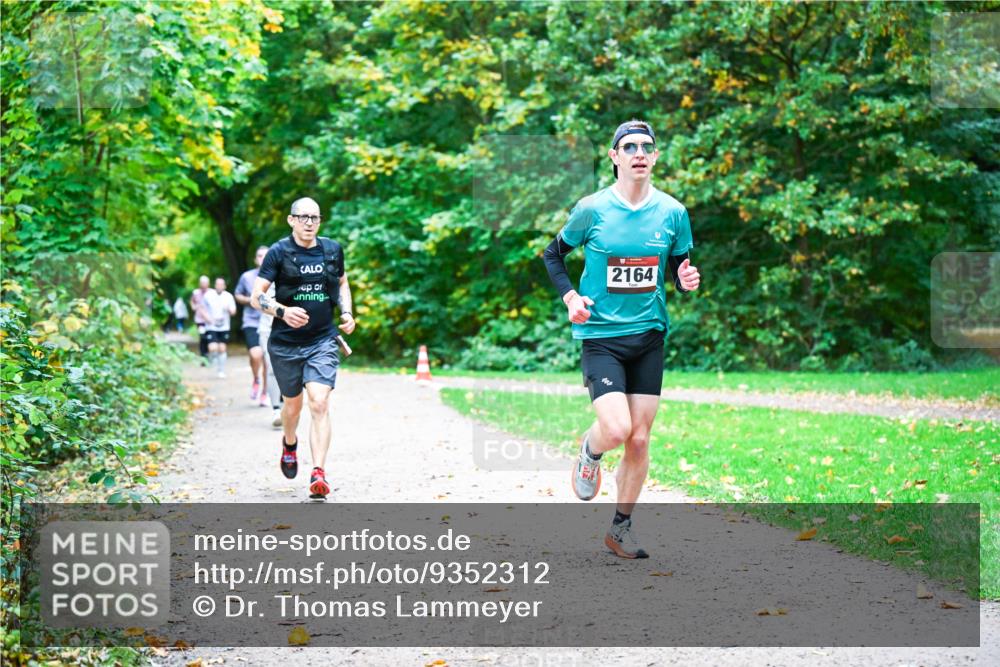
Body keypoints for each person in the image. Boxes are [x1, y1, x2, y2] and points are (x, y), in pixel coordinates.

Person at [543, 119, 701, 559]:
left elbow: (678, 265)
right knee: (616, 430)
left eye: (646, 147)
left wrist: (685, 278)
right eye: (628, 146)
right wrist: (570, 296)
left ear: (654, 157)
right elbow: (553, 254)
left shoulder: (672, 212)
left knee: (640, 439)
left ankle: (620, 528)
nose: (638, 153)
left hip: (648, 334)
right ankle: (589, 453)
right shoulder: (592, 209)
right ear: (614, 157)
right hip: (602, 336)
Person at [251, 197, 355, 500]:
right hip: (284, 344)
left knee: (319, 402)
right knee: (292, 406)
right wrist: (283, 312)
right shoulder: (278, 252)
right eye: (303, 217)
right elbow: (258, 297)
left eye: (315, 217)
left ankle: (318, 472)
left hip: (322, 340)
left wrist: (346, 311)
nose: (309, 222)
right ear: (291, 220)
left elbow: (342, 282)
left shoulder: (332, 249)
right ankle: (289, 441)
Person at [235, 246, 270, 406]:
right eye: (260, 255)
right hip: (251, 321)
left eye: (266, 255)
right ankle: (256, 379)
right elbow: (237, 295)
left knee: (268, 361)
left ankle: (265, 393)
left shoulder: (278, 276)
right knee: (256, 355)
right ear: (255, 259)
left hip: (271, 322)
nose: (263, 258)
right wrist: (250, 300)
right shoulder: (247, 277)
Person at [257, 282, 283, 427]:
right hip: (267, 330)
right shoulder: (264, 278)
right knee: (272, 368)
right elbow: (255, 300)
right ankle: (276, 409)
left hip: (291, 330)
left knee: (287, 369)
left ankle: (284, 404)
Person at [204, 277, 237, 378]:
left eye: (221, 284)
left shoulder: (228, 296)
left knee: (222, 349)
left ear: (224, 286)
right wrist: (207, 318)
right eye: (217, 284)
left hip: (224, 326)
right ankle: (212, 358)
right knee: (213, 347)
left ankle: (221, 370)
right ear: (215, 285)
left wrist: (229, 309)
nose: (219, 286)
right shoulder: (208, 295)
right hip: (211, 326)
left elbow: (234, 312)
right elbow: (201, 308)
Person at [190, 276, 211, 361]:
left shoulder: (211, 292)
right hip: (200, 320)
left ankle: (209, 355)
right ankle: (203, 357)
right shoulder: (195, 292)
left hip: (210, 320)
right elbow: (192, 301)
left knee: (209, 337)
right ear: (199, 283)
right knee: (203, 337)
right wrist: (193, 307)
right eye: (202, 283)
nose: (203, 285)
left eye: (205, 283)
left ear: (208, 284)